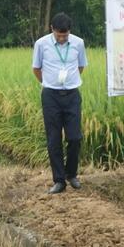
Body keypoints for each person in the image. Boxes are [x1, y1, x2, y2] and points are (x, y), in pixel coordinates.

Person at [33, 13, 87, 194]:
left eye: (65, 35)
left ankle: (71, 174)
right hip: (51, 96)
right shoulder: (41, 44)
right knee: (54, 139)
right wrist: (49, 83)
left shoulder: (78, 43)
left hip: (72, 94)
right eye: (59, 35)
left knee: (74, 137)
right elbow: (36, 68)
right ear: (52, 29)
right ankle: (59, 180)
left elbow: (81, 66)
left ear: (69, 32)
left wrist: (69, 81)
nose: (62, 38)